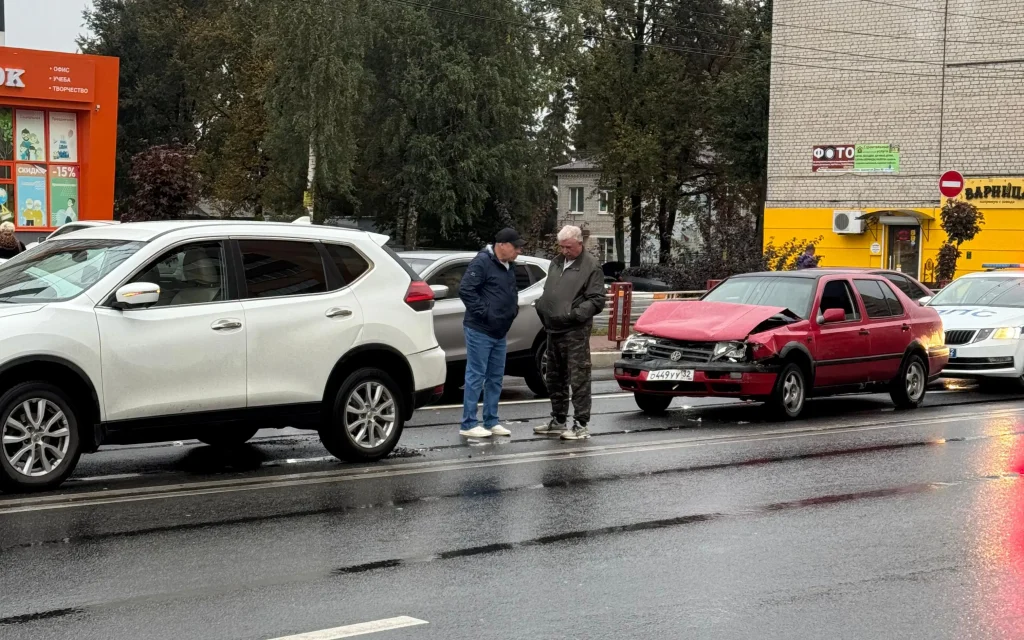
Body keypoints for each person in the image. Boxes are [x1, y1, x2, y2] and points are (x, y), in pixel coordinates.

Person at [534, 225, 606, 440]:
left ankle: (581, 424)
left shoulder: (591, 266)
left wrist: (573, 315)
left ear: (579, 244)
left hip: (575, 331)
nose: (564, 251)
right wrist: (542, 306)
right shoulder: (557, 262)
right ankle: (558, 419)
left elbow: (597, 299)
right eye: (562, 246)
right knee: (555, 377)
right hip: (552, 328)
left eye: (569, 247)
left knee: (579, 378)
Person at [457, 228, 525, 438]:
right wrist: (486, 314)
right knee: (476, 375)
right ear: (502, 244)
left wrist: (511, 312)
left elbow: (510, 292)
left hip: (499, 330)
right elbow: (466, 290)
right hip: (480, 328)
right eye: (515, 247)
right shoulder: (482, 262)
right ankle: (468, 423)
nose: (518, 251)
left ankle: (491, 420)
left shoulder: (508, 266)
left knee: (495, 377)